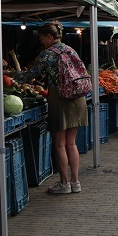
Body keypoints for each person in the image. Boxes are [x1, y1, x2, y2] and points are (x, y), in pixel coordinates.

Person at [13, 21, 86, 194]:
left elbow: (30, 75)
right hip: (77, 97)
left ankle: (64, 184)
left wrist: (10, 74)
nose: (41, 42)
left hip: (60, 97)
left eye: (41, 38)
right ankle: (75, 182)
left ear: (48, 36)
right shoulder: (70, 49)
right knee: (71, 143)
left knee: (60, 144)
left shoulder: (47, 54)